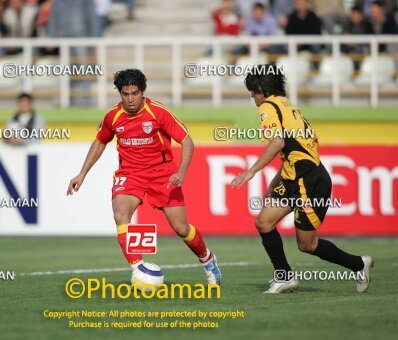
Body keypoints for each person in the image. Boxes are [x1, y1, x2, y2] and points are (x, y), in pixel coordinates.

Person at [67, 69, 222, 285]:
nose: (130, 99)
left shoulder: (158, 113)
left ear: (143, 92)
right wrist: (82, 173)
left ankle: (207, 260)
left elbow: (187, 141)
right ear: (120, 93)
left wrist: (182, 172)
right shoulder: (113, 116)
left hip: (163, 174)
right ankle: (140, 269)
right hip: (130, 174)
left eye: (135, 93)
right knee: (121, 214)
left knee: (181, 228)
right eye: (125, 94)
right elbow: (101, 141)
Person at [231, 65, 373, 294]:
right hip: (296, 177)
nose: (252, 97)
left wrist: (251, 172)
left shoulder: (268, 107)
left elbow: (277, 143)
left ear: (261, 89)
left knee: (307, 245)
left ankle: (358, 264)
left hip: (309, 182)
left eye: (252, 92)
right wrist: (276, 180)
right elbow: (292, 149)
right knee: (264, 223)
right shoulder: (287, 105)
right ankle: (285, 276)